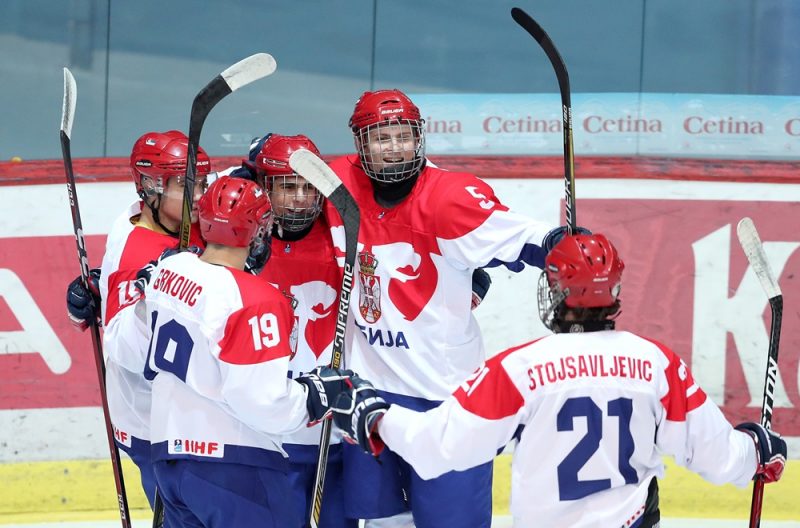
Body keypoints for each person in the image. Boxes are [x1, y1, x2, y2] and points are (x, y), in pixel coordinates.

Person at [333, 233, 788, 528]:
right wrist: (756, 452)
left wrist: (374, 415)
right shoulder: (655, 364)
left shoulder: (522, 368)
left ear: (555, 291)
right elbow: (718, 456)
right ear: (614, 294)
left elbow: (438, 446)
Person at [324, 88, 566, 527]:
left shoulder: (450, 197)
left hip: (447, 400)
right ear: (361, 146)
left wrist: (561, 245)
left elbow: (525, 237)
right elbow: (278, 180)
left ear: (419, 138)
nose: (395, 147)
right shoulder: (336, 182)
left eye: (403, 135)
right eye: (382, 138)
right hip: (369, 392)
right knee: (382, 520)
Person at [141, 175, 352, 528]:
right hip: (234, 467)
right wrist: (315, 396)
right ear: (257, 230)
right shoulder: (255, 298)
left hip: (170, 461)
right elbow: (263, 404)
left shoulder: (169, 269)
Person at [65, 130, 210, 511]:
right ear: (151, 187)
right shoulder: (137, 254)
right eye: (186, 183)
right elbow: (125, 348)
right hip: (152, 422)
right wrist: (150, 303)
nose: (199, 193)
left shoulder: (171, 214)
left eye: (201, 181)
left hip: (185, 416)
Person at [252, 133, 356, 528]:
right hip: (264, 435)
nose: (299, 198)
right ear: (264, 187)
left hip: (327, 430)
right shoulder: (239, 246)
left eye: (308, 188)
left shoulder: (341, 242)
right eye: (288, 186)